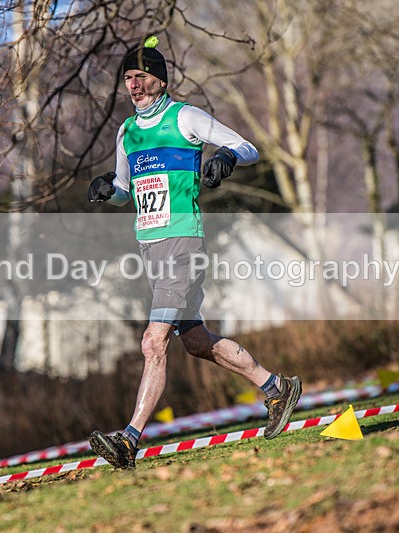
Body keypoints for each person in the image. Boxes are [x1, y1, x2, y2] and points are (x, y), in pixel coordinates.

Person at [86, 37, 302, 469]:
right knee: (197, 341)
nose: (134, 86)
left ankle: (128, 442)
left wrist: (223, 156)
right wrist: (107, 191)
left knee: (153, 342)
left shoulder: (184, 116)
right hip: (151, 247)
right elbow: (126, 193)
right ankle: (277, 387)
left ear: (160, 81)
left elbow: (248, 147)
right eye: (128, 78)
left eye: (141, 77)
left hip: (183, 242)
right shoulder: (126, 132)